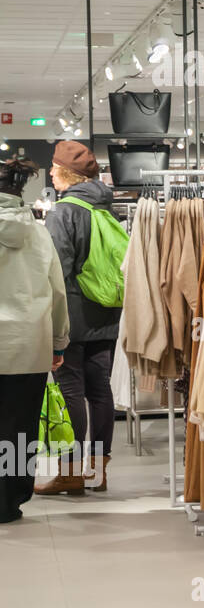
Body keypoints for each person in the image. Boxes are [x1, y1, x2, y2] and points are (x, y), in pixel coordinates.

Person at [37, 141, 120, 496]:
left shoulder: (63, 211)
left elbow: (57, 270)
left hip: (73, 314)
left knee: (71, 389)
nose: (51, 172)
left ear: (66, 173)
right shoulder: (106, 207)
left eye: (54, 167)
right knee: (100, 390)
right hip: (107, 310)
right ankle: (98, 472)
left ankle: (71, 473)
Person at [0, 157, 70, 522]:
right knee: (19, 426)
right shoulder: (39, 235)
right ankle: (9, 499)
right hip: (28, 345)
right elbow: (57, 293)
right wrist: (58, 343)